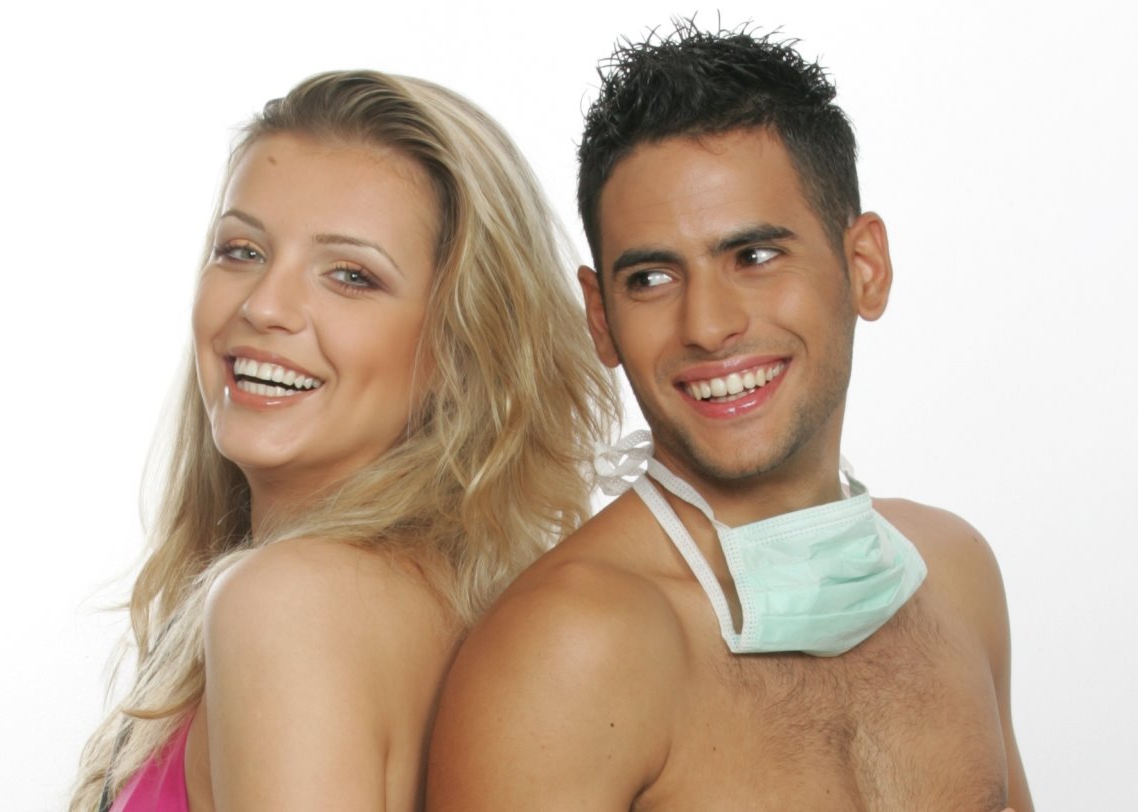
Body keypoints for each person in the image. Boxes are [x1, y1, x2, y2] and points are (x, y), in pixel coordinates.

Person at [427, 22, 1032, 811]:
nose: (708, 326)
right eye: (651, 278)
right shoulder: (570, 648)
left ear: (865, 267)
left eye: (753, 257)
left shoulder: (955, 575)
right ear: (601, 318)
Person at [69, 70, 617, 811]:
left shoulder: (287, 605)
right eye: (242, 250)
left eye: (352, 276)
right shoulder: (449, 609)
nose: (265, 306)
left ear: (462, 348)